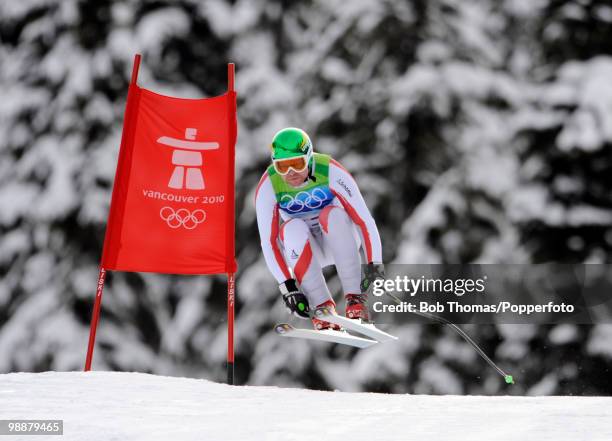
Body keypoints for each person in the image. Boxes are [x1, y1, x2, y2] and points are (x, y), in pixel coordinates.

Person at [255, 127, 384, 330]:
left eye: (297, 164)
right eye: (282, 167)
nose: (291, 173)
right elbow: (268, 242)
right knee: (291, 228)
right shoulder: (269, 184)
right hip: (306, 252)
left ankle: (355, 300)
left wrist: (374, 264)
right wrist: (288, 287)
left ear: (309, 157)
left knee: (331, 214)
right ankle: (322, 309)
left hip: (341, 242)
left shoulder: (330, 170)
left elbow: (364, 220)